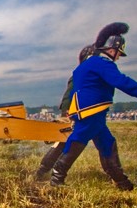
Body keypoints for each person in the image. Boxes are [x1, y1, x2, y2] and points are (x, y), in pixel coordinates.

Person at [49, 24, 137, 190]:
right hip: (91, 112)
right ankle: (56, 178)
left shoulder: (86, 64)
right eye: (119, 52)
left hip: (89, 112)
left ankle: (122, 183)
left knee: (107, 144)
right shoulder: (102, 63)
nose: (119, 57)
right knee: (77, 141)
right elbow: (123, 82)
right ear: (112, 49)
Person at [34, 43, 96, 180]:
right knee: (63, 143)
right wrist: (69, 112)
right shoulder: (83, 74)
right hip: (72, 114)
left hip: (78, 114)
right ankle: (44, 171)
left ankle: (44, 171)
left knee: (64, 143)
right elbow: (70, 93)